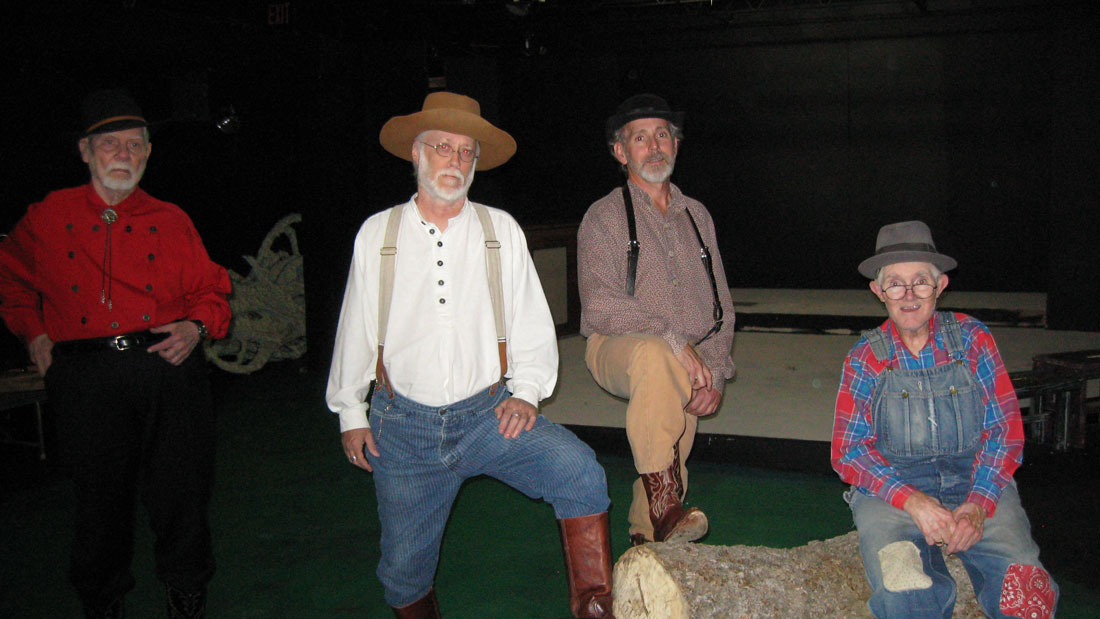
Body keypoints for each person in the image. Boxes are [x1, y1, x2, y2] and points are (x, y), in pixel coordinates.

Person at [327, 92, 613, 618]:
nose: (455, 161)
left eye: (466, 152)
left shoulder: (498, 230)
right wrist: (350, 411)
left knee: (579, 473)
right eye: (443, 148)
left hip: (489, 416)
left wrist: (526, 391)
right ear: (416, 154)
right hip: (403, 425)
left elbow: (530, 317)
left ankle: (595, 608)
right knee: (403, 572)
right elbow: (357, 328)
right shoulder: (379, 233)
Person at [0, 88, 231, 618]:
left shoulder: (172, 219)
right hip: (86, 375)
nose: (123, 155)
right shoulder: (49, 215)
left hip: (166, 369)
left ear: (149, 153)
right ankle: (102, 602)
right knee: (98, 502)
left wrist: (197, 328)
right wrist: (33, 334)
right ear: (85, 152)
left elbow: (212, 292)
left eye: (134, 144)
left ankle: (186, 594)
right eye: (110, 144)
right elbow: (10, 280)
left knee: (181, 494)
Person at [832, 221, 1058, 618]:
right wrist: (915, 502)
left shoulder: (973, 339)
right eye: (895, 284)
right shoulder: (865, 357)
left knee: (1027, 593)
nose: (908, 295)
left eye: (921, 281)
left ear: (940, 285)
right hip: (894, 493)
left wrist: (978, 505)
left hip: (977, 479)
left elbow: (1005, 432)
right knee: (905, 591)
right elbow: (849, 453)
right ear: (878, 291)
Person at [577, 94, 736, 546]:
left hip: (685, 357)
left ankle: (650, 540)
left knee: (672, 443)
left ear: (676, 144)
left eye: (662, 134)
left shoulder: (698, 215)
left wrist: (716, 373)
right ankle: (666, 505)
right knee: (655, 356)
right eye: (640, 138)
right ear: (620, 152)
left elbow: (721, 304)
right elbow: (598, 306)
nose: (654, 146)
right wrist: (672, 340)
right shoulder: (603, 216)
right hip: (616, 347)